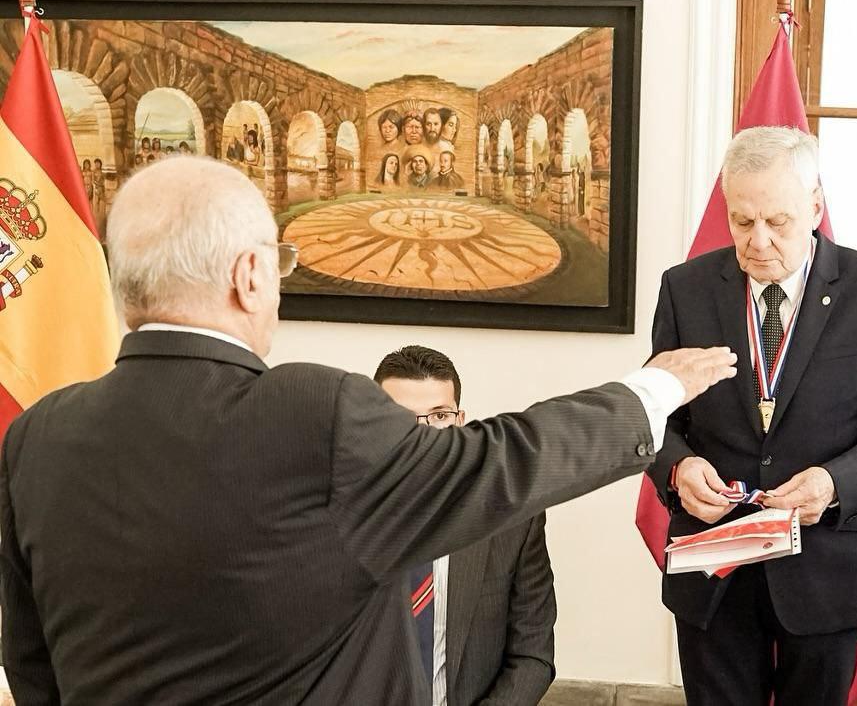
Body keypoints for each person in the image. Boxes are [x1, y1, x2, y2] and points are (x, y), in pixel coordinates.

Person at [0, 156, 737, 705]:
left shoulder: (35, 438)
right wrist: (657, 388)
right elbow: (501, 459)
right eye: (279, 266)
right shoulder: (313, 413)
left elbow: (31, 666)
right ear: (250, 275)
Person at [646, 126, 857, 706]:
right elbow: (655, 416)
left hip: (827, 564)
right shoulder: (686, 289)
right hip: (715, 565)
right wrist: (678, 469)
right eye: (742, 221)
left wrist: (834, 482)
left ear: (816, 206)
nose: (757, 241)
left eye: (777, 222)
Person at [375, 346, 555, 706]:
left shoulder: (512, 518)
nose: (423, 434)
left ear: (459, 421)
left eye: (439, 415)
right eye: (401, 417)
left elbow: (532, 657)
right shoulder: (326, 514)